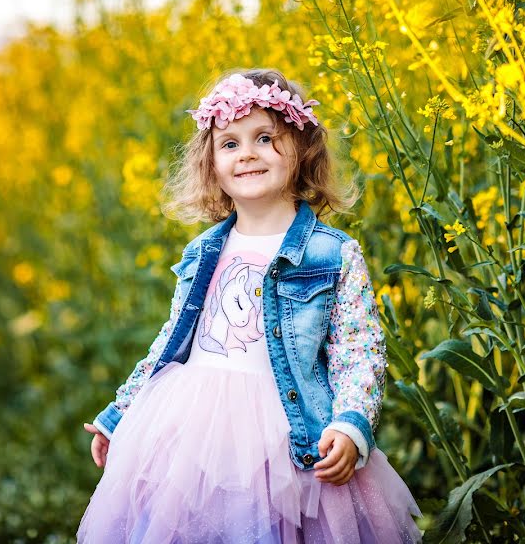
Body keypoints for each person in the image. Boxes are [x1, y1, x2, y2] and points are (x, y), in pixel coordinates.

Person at [76, 69, 422, 543]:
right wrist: (122, 414)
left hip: (291, 443)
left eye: (265, 137)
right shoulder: (203, 251)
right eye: (231, 143)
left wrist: (351, 425)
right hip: (193, 437)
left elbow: (358, 352)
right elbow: (171, 341)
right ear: (211, 163)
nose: (249, 155)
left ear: (301, 149)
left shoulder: (334, 252)